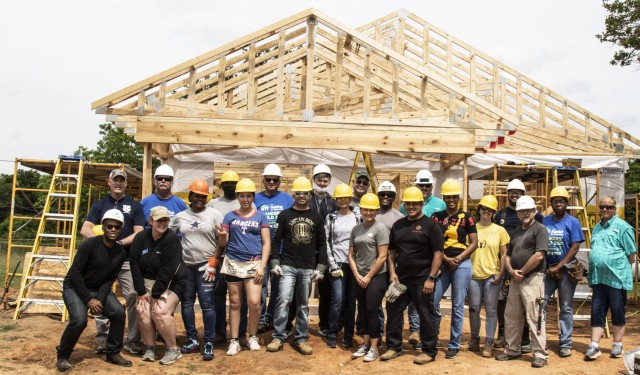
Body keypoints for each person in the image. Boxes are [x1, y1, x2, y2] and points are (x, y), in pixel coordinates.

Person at [56, 209, 132, 372]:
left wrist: (101, 298)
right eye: (109, 226)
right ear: (103, 227)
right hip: (75, 287)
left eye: (117, 227)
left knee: (118, 313)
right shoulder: (90, 245)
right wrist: (88, 300)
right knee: (79, 320)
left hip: (98, 289)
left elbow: (109, 279)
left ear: (120, 229)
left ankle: (112, 353)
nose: (113, 229)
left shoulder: (120, 252)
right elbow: (75, 273)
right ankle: (63, 355)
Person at [80, 169, 145, 356]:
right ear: (109, 182)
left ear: (126, 183)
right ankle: (103, 339)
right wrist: (101, 245)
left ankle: (133, 340)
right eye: (115, 180)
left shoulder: (134, 206)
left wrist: (120, 243)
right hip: (103, 261)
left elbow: (139, 231)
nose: (118, 183)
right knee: (100, 295)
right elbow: (85, 229)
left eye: (121, 180)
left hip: (126, 259)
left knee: (133, 295)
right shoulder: (100, 205)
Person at [381, 187, 444, 365]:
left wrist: (431, 278)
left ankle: (429, 351)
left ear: (421, 204)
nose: (411, 206)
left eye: (415, 203)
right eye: (408, 203)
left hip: (422, 279)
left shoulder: (431, 226)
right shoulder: (398, 225)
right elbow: (391, 252)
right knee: (393, 311)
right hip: (401, 278)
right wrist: (392, 272)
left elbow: (438, 254)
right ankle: (394, 347)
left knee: (426, 314)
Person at [266, 176, 328, 355]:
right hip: (288, 265)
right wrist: (275, 262)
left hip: (308, 267)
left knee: (303, 304)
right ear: (293, 194)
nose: (301, 195)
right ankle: (278, 336)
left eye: (305, 193)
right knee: (283, 299)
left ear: (310, 195)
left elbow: (322, 244)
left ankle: (301, 338)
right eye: (298, 192)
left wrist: (321, 267)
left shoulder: (316, 217)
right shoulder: (285, 215)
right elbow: (276, 241)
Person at [214, 178, 271, 356]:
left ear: (253, 197)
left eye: (248, 196)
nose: (245, 199)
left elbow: (266, 242)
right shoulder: (229, 216)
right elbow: (223, 242)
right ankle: (234, 340)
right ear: (237, 196)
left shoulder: (261, 216)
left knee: (254, 303)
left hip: (253, 263)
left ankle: (252, 336)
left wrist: (262, 266)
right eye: (242, 196)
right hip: (233, 262)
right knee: (235, 302)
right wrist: (222, 236)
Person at [170, 179, 224, 361]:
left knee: (207, 303)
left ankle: (208, 341)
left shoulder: (215, 214)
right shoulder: (180, 216)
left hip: (206, 266)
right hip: (186, 266)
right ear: (190, 196)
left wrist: (214, 262)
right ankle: (192, 339)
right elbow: (170, 236)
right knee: (186, 303)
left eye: (202, 196)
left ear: (206, 197)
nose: (199, 199)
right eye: (196, 195)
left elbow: (222, 241)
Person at [495, 195, 549, 368]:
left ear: (534, 211)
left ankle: (540, 353)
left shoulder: (540, 229)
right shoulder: (517, 231)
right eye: (521, 210)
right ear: (517, 213)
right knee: (512, 316)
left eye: (528, 210)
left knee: (535, 317)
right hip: (516, 280)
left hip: (533, 279)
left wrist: (522, 272)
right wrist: (511, 271)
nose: (525, 213)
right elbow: (508, 255)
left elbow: (539, 255)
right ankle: (512, 349)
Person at [130, 206, 187, 365]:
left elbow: (167, 271)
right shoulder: (141, 237)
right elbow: (134, 264)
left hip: (172, 282)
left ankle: (173, 349)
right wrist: (141, 291)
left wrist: (155, 295)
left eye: (165, 220)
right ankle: (150, 347)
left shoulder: (172, 239)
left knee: (159, 311)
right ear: (150, 221)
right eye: (159, 220)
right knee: (142, 310)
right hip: (147, 281)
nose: (162, 223)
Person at [584, 196, 636, 361]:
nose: (605, 210)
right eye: (602, 207)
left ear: (614, 209)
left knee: (617, 311)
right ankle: (594, 345)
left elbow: (632, 256)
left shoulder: (623, 227)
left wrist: (615, 266)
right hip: (599, 279)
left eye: (609, 207)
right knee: (597, 312)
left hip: (616, 279)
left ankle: (617, 345)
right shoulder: (597, 227)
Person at [431, 179, 478, 359]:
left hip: (461, 263)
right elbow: (433, 241)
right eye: (448, 197)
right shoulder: (437, 217)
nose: (451, 200)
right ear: (443, 197)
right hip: (441, 261)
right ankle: (431, 339)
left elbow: (473, 243)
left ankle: (454, 344)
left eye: (454, 197)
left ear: (458, 197)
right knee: (433, 302)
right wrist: (445, 258)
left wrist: (458, 258)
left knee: (457, 305)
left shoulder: (467, 217)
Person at [398, 169, 444, 345]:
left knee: (429, 302)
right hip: (413, 259)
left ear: (432, 186)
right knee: (413, 299)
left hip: (431, 258)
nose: (424, 188)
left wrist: (438, 263)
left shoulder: (440, 204)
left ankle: (431, 334)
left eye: (427, 185)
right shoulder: (405, 205)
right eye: (421, 185)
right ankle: (415, 330)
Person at [541, 187, 584, 358]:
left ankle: (565, 343)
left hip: (566, 271)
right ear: (551, 203)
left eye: (561, 201)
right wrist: (548, 267)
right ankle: (540, 339)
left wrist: (558, 267)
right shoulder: (545, 221)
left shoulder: (573, 222)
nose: (558, 204)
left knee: (565, 307)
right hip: (548, 270)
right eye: (555, 201)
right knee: (540, 304)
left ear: (567, 203)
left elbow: (574, 248)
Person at [208, 170, 249, 346]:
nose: (230, 186)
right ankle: (219, 331)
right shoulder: (213, 204)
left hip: (240, 258)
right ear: (221, 185)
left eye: (233, 183)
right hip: (220, 255)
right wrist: (213, 259)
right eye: (227, 183)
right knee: (218, 295)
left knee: (241, 297)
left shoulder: (246, 203)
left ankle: (240, 332)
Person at [254, 164, 295, 334]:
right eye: (268, 179)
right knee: (260, 287)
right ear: (263, 180)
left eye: (275, 180)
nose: (271, 182)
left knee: (279, 288)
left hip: (281, 252)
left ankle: (271, 318)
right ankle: (260, 319)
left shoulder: (287, 199)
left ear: (279, 181)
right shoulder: (255, 198)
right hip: (260, 251)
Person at [348, 193, 389, 362]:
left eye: (372, 210)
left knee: (372, 309)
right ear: (361, 210)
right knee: (363, 310)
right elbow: (351, 254)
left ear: (376, 211)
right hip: (360, 276)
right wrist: (357, 274)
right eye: (365, 209)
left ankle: (374, 347)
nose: (368, 213)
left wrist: (368, 276)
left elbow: (383, 256)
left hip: (376, 276)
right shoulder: (356, 229)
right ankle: (365, 344)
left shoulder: (380, 229)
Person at [468, 195, 509, 357]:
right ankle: (474, 338)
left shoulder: (500, 231)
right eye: (483, 208)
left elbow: (504, 254)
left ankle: (489, 342)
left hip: (492, 275)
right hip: (474, 275)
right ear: (479, 210)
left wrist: (501, 273)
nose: (486, 212)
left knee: (491, 310)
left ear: (494, 212)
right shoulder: (472, 228)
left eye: (490, 210)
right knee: (474, 309)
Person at [325, 183, 359, 349]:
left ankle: (348, 335)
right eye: (340, 198)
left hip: (353, 264)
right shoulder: (331, 218)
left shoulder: (357, 217)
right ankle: (331, 333)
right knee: (337, 299)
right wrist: (332, 265)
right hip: (337, 263)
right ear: (336, 200)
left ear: (350, 198)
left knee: (351, 301)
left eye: (346, 197)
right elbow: (326, 242)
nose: (343, 200)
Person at [308, 164, 338, 337]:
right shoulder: (306, 198)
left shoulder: (332, 201)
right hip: (306, 251)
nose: (322, 181)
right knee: (301, 291)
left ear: (329, 180)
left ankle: (324, 324)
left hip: (325, 252)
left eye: (325, 178)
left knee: (326, 291)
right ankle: (293, 325)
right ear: (314, 180)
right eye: (319, 178)